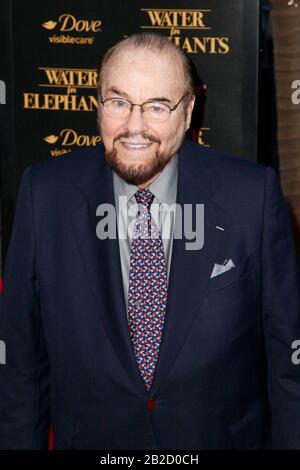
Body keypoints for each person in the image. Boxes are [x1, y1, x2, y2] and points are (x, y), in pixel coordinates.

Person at [0, 31, 299, 450]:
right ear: (97, 103)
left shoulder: (252, 196)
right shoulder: (44, 194)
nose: (134, 126)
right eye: (118, 102)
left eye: (158, 106)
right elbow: (20, 368)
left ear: (189, 109)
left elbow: (289, 363)